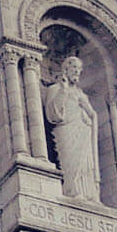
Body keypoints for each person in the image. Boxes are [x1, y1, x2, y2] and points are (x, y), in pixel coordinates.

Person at [43, 55, 100, 199]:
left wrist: (91, 115)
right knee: (70, 162)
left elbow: (92, 115)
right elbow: (53, 114)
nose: (77, 71)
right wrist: (63, 90)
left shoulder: (81, 94)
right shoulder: (55, 89)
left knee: (86, 163)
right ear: (66, 68)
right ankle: (71, 190)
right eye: (74, 67)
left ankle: (89, 195)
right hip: (66, 131)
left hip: (83, 131)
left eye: (79, 68)